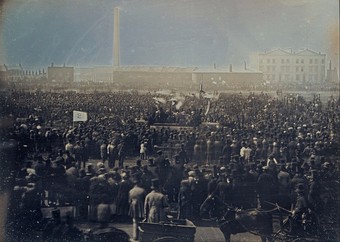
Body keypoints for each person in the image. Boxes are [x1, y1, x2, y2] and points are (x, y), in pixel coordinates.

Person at [128, 175, 146, 241]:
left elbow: (129, 201)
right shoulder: (142, 190)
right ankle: (141, 237)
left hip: (133, 208)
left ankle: (135, 236)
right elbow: (145, 200)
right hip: (141, 208)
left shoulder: (131, 191)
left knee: (135, 222)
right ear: (139, 183)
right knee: (141, 223)